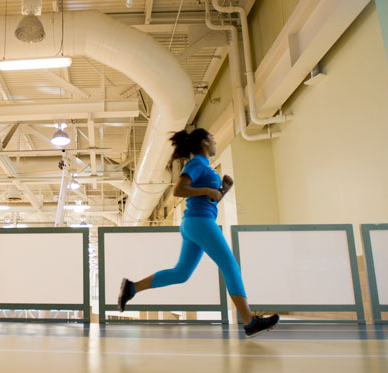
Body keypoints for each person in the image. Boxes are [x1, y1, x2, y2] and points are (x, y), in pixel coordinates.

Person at [117, 128, 279, 337]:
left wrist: (223, 191)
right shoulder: (197, 164)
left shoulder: (206, 167)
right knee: (230, 266)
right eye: (212, 138)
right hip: (199, 221)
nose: (214, 142)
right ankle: (249, 322)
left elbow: (210, 198)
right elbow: (178, 190)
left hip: (195, 222)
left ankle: (131, 288)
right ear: (204, 142)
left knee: (181, 273)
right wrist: (208, 190)